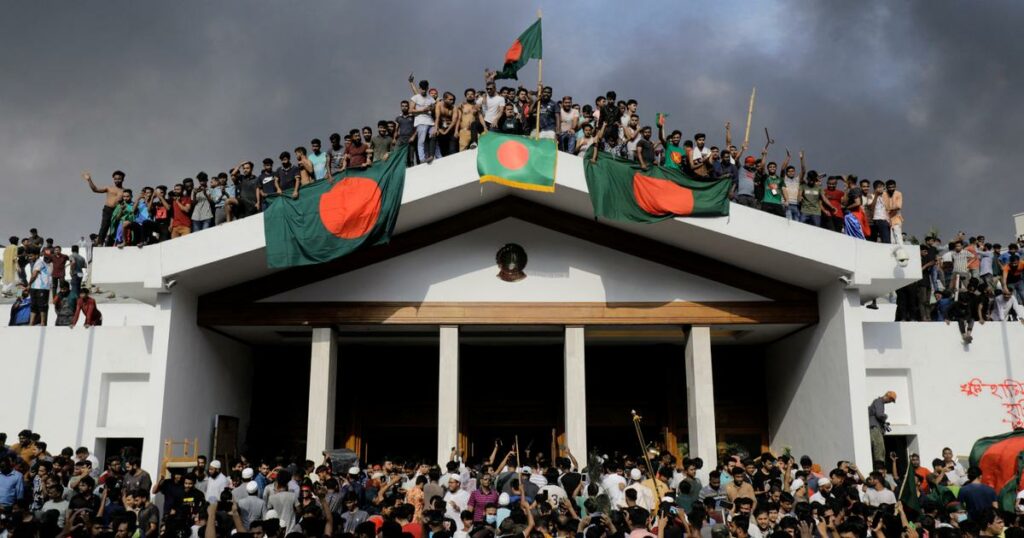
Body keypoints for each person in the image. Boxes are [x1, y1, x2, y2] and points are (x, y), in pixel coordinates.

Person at [82, 170, 126, 247]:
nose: (117, 180)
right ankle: (99, 243)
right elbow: (95, 189)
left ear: (123, 179)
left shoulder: (124, 191)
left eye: (119, 178)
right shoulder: (109, 187)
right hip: (108, 209)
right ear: (113, 179)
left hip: (117, 211)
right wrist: (89, 180)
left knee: (114, 228)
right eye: (115, 178)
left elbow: (126, 201)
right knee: (104, 226)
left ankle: (111, 244)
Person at [410, 79, 439, 163]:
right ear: (419, 88)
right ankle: (422, 159)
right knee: (421, 141)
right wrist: (422, 110)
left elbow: (433, 110)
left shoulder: (431, 99)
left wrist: (432, 108)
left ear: (427, 88)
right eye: (422, 88)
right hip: (421, 122)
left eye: (425, 88)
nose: (423, 90)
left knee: (434, 137)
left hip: (430, 121)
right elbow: (410, 110)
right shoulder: (415, 97)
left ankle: (438, 156)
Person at [27, 247, 52, 326]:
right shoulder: (37, 262)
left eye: (31, 256)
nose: (29, 258)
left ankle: (42, 323)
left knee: (41, 306)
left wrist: (29, 284)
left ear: (37, 255)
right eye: (29, 256)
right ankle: (31, 323)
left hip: (42, 288)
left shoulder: (39, 262)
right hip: (35, 287)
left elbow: (34, 274)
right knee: (34, 306)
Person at [868, 391, 895, 464]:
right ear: (888, 397)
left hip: (875, 427)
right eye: (891, 400)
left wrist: (884, 424)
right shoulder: (879, 402)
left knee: (879, 449)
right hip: (875, 428)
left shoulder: (878, 402)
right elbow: (879, 415)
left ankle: (879, 465)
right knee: (879, 449)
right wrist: (885, 416)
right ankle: (879, 466)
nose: (890, 402)